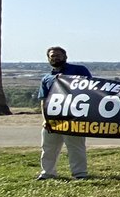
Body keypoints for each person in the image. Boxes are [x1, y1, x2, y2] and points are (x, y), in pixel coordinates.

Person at [37, 46, 92, 180]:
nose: (55, 58)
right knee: (48, 148)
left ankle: (80, 174)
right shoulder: (46, 78)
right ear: (48, 59)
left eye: (58, 55)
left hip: (73, 117)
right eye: (52, 56)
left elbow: (93, 87)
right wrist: (46, 119)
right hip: (53, 118)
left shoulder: (79, 70)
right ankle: (47, 173)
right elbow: (44, 100)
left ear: (65, 57)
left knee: (75, 147)